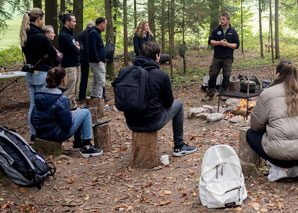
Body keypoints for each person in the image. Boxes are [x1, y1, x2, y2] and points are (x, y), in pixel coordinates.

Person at [124, 41, 197, 157]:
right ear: (157, 56)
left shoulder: (128, 73)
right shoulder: (161, 75)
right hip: (152, 122)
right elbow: (169, 103)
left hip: (131, 122)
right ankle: (179, 145)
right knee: (179, 104)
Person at [31, 67, 103, 157]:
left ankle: (78, 143)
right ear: (63, 79)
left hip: (41, 133)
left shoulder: (40, 94)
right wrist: (71, 115)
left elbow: (34, 117)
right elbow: (67, 124)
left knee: (77, 111)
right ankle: (87, 146)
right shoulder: (61, 99)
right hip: (57, 135)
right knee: (86, 112)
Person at [246, 61, 298, 182]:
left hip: (278, 156)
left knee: (250, 134)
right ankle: (296, 168)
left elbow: (255, 125)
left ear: (277, 75)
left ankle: (277, 169)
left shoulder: (268, 93)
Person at [19, 8, 57, 144]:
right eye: (43, 19)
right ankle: (44, 134)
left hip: (30, 75)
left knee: (33, 106)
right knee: (44, 105)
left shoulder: (25, 35)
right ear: (39, 19)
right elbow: (54, 55)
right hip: (42, 74)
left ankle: (33, 134)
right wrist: (48, 54)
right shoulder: (41, 37)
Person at [202, 12, 240, 102]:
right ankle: (210, 94)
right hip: (217, 57)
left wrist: (227, 44)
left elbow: (236, 45)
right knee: (212, 76)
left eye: (223, 19)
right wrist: (219, 42)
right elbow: (210, 41)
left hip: (228, 58)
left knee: (226, 76)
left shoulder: (233, 31)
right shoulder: (216, 30)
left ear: (228, 20)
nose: (222, 21)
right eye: (221, 19)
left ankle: (223, 94)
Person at [58, 13, 81, 110]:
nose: (75, 23)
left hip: (75, 64)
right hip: (69, 66)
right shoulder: (63, 35)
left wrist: (78, 47)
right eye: (73, 21)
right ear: (67, 22)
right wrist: (77, 48)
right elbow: (75, 50)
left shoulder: (71, 34)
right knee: (69, 90)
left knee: (75, 88)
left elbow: (79, 47)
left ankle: (72, 107)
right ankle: (65, 110)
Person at [88, 17, 107, 99]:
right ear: (101, 24)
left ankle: (94, 96)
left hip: (98, 60)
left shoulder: (96, 33)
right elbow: (92, 48)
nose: (106, 26)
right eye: (105, 24)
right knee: (101, 81)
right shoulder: (93, 33)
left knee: (96, 80)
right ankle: (98, 98)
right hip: (96, 61)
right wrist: (97, 60)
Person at [77, 21, 94, 104]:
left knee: (84, 77)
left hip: (83, 59)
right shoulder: (93, 33)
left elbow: (80, 47)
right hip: (92, 58)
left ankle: (82, 97)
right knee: (98, 77)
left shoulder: (81, 34)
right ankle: (100, 96)